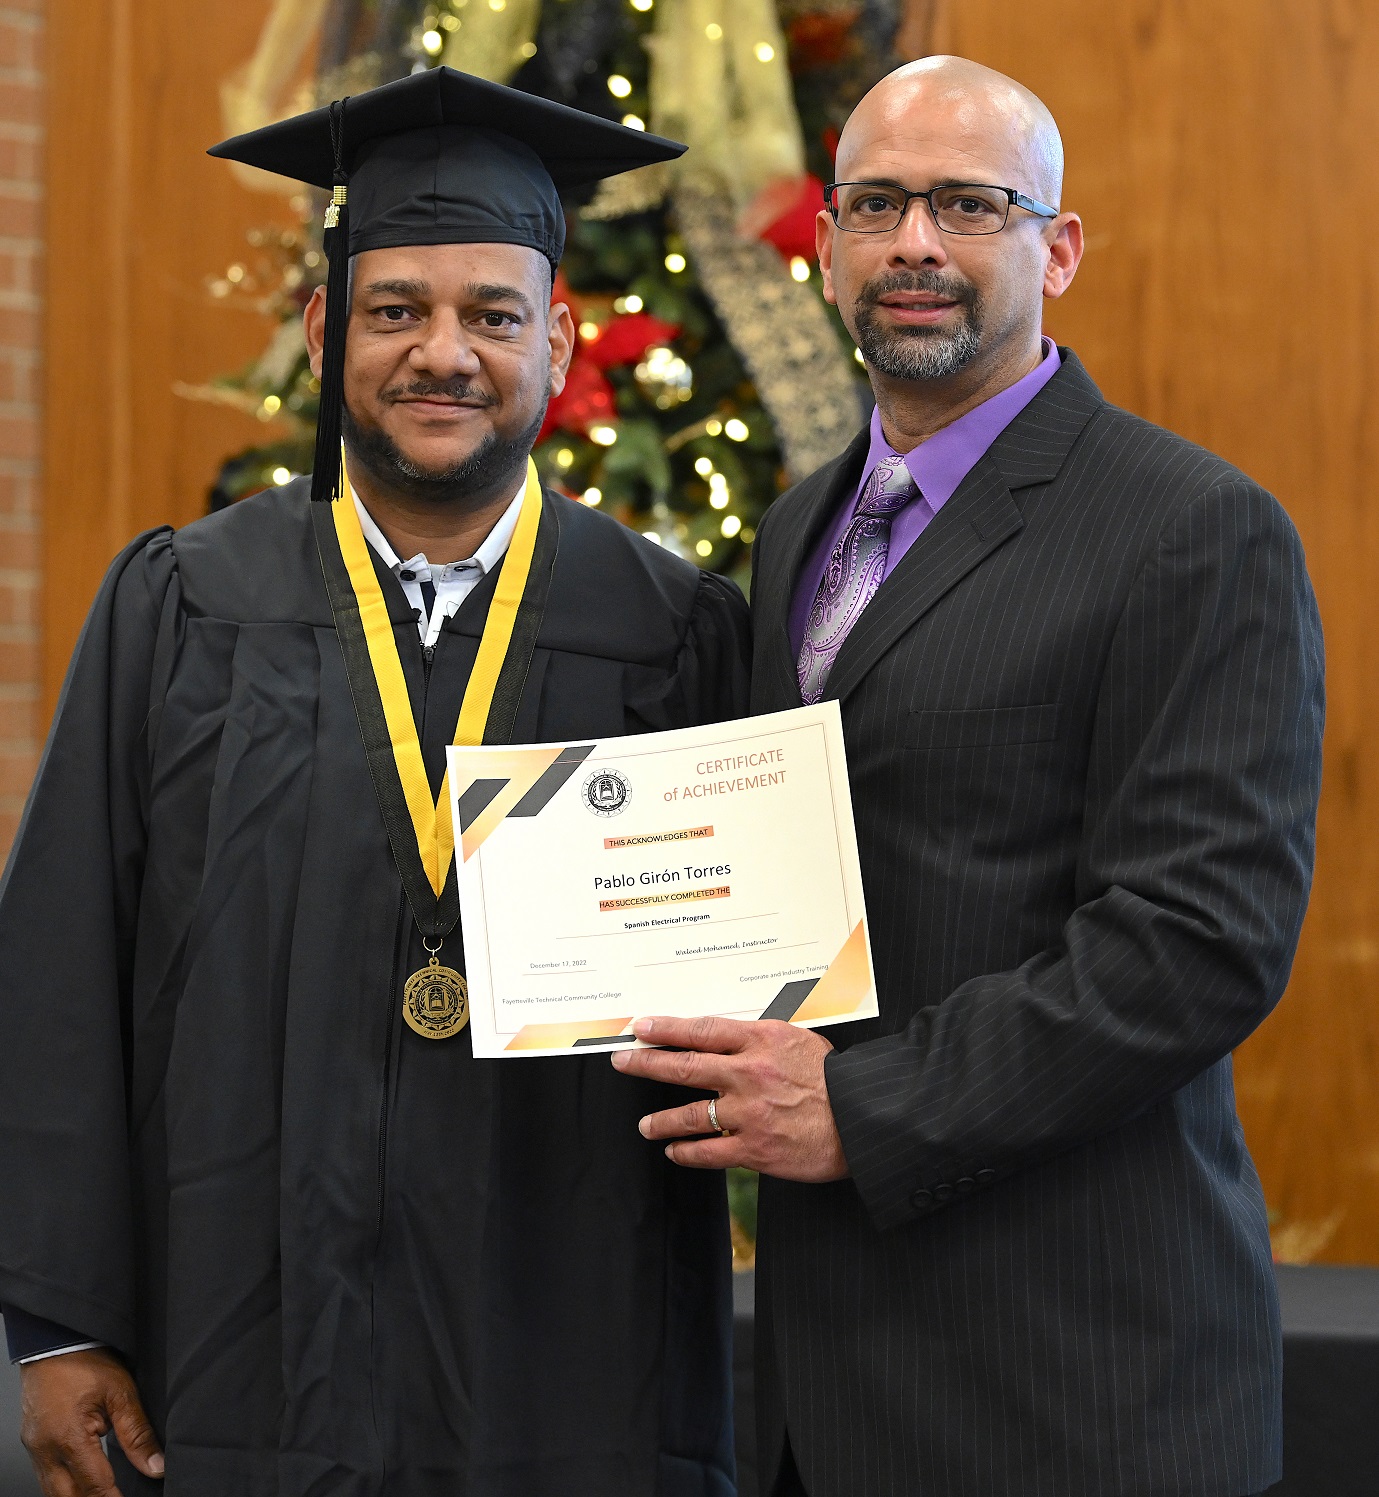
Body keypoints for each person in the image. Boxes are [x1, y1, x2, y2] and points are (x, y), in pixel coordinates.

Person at [0, 67, 748, 1497]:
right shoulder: (183, 604)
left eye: (491, 313)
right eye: (397, 308)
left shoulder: (674, 630)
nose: (443, 352)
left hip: (572, 1336)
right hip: (239, 1335)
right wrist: (56, 1321)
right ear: (325, 326)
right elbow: (59, 966)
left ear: (559, 336)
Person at [613, 55, 1323, 1497]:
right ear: (825, 248)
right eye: (875, 204)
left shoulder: (1193, 528)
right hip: (832, 1378)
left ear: (1055, 247)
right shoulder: (803, 523)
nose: (916, 244)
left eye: (968, 203)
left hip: (1076, 1385)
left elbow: (1197, 942)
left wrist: (861, 1109)